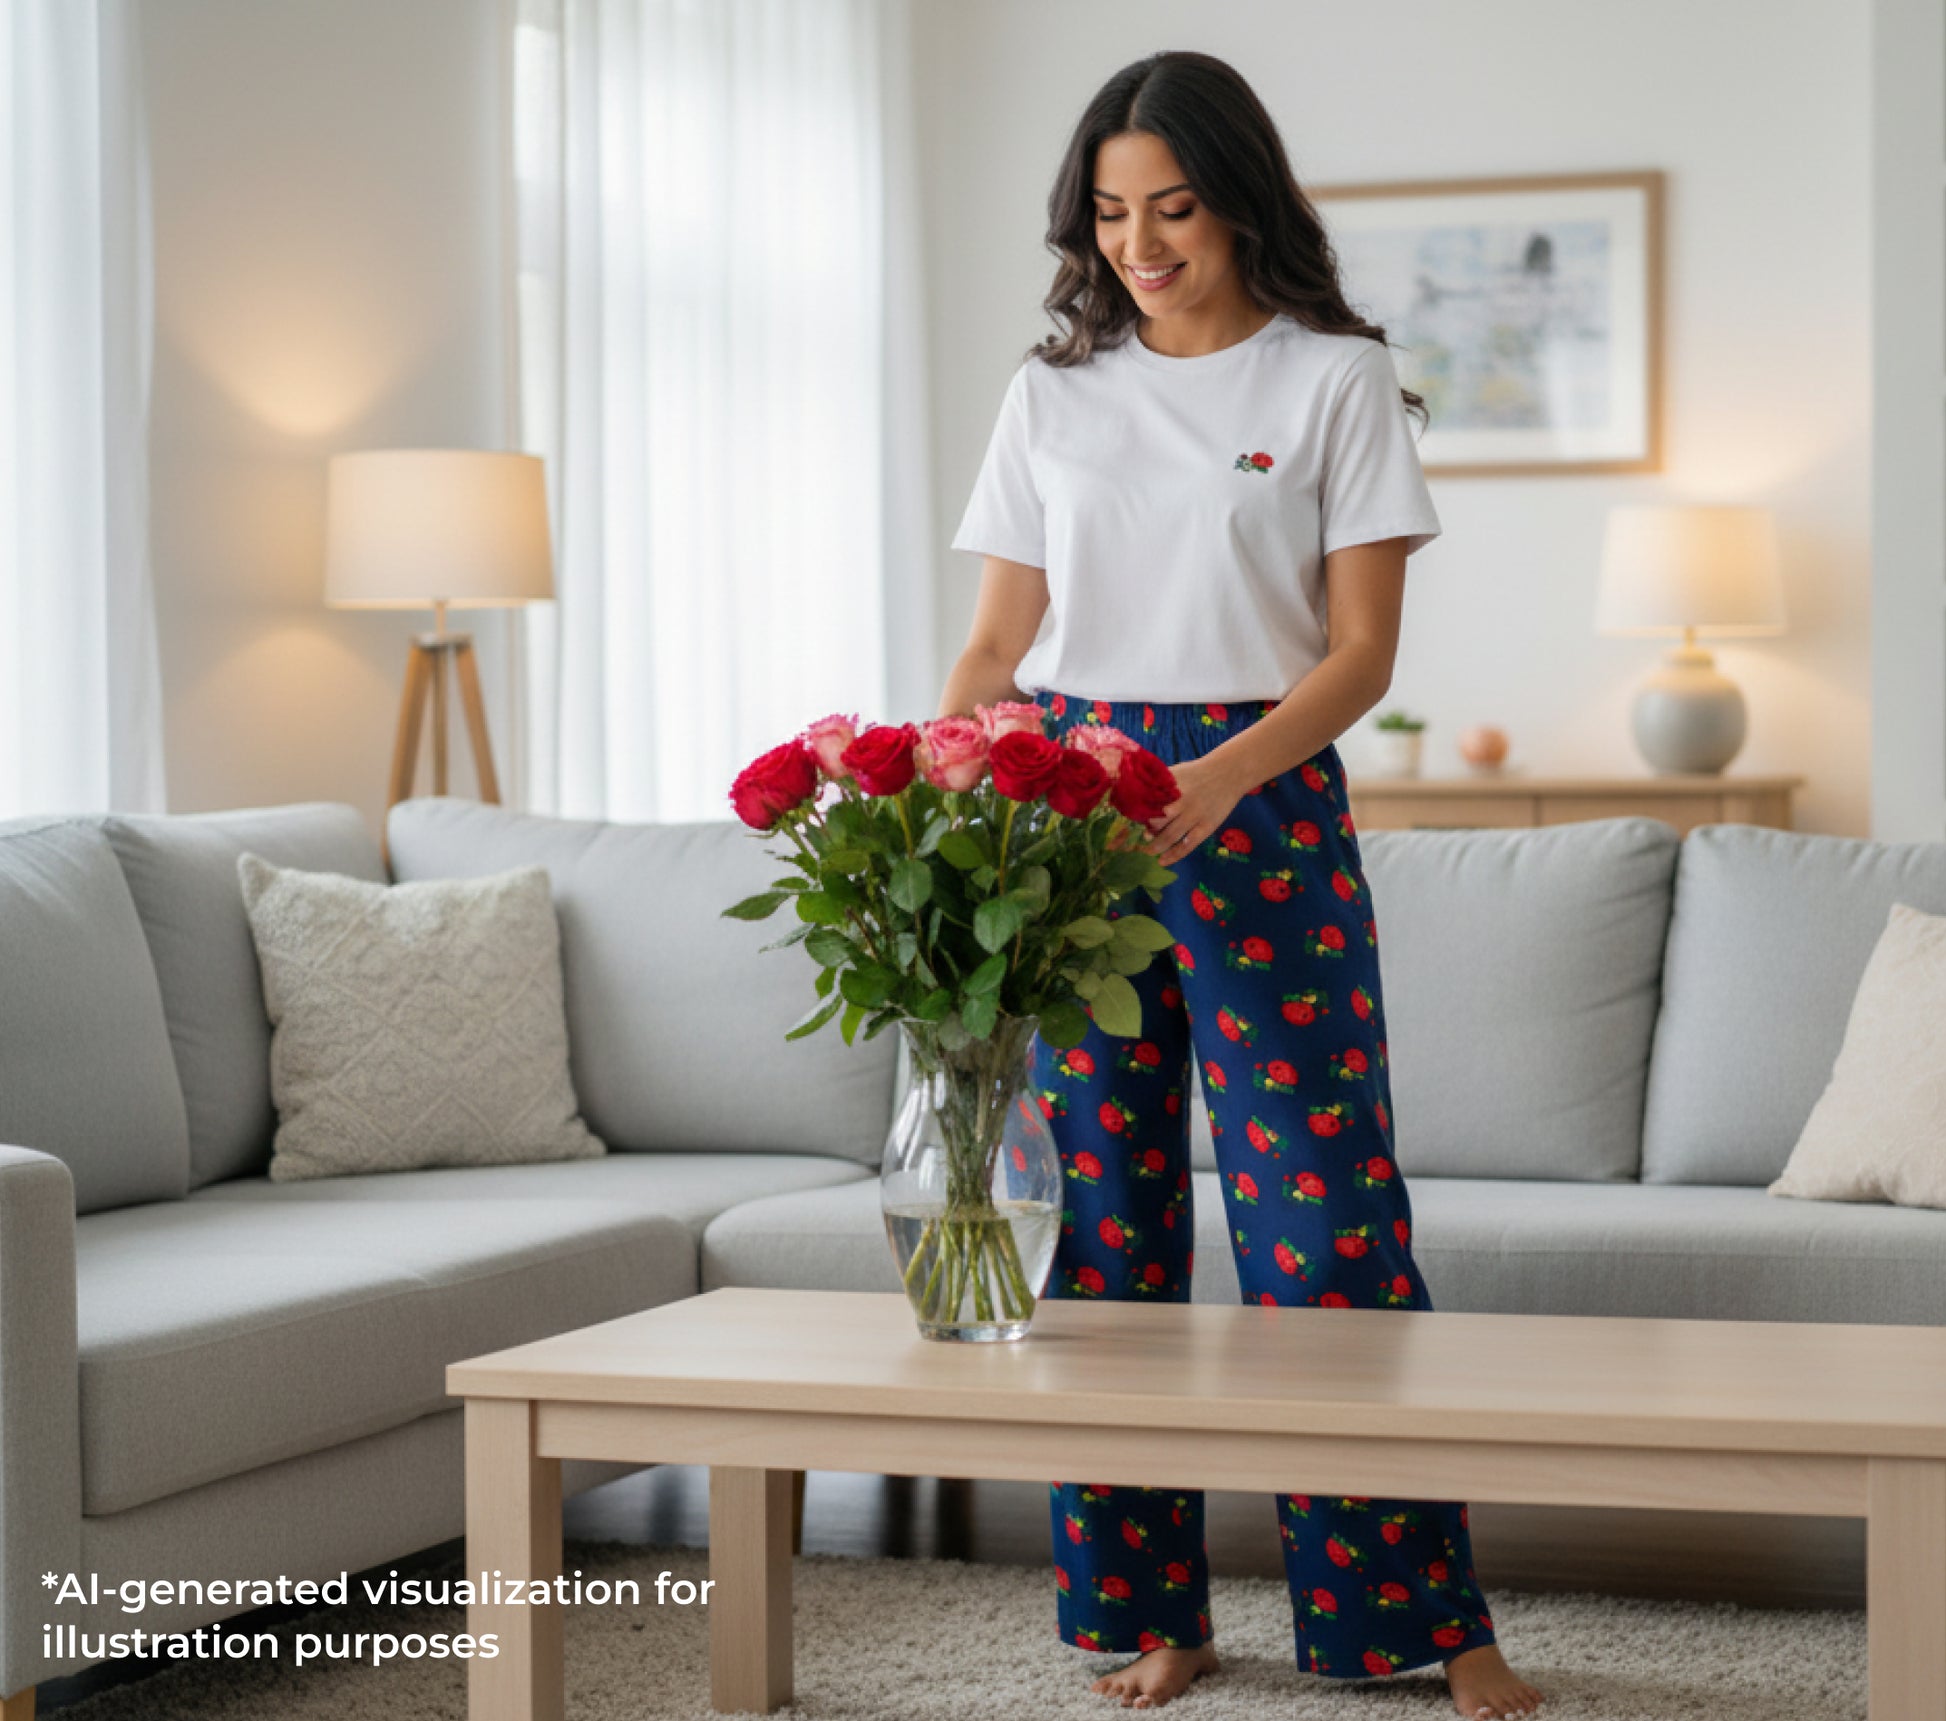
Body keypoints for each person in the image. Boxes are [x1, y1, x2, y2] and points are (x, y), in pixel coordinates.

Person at [938, 50, 1545, 1721]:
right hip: (1062, 808)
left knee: (1323, 1224)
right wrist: (955, 788)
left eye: (1175, 209)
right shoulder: (1049, 395)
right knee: (1102, 1228)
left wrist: (1212, 781)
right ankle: (1148, 1611)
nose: (1140, 243)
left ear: (1240, 200)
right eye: (1112, 214)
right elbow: (998, 641)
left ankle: (1418, 1618)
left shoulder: (1333, 379)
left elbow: (1357, 658)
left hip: (1258, 805)